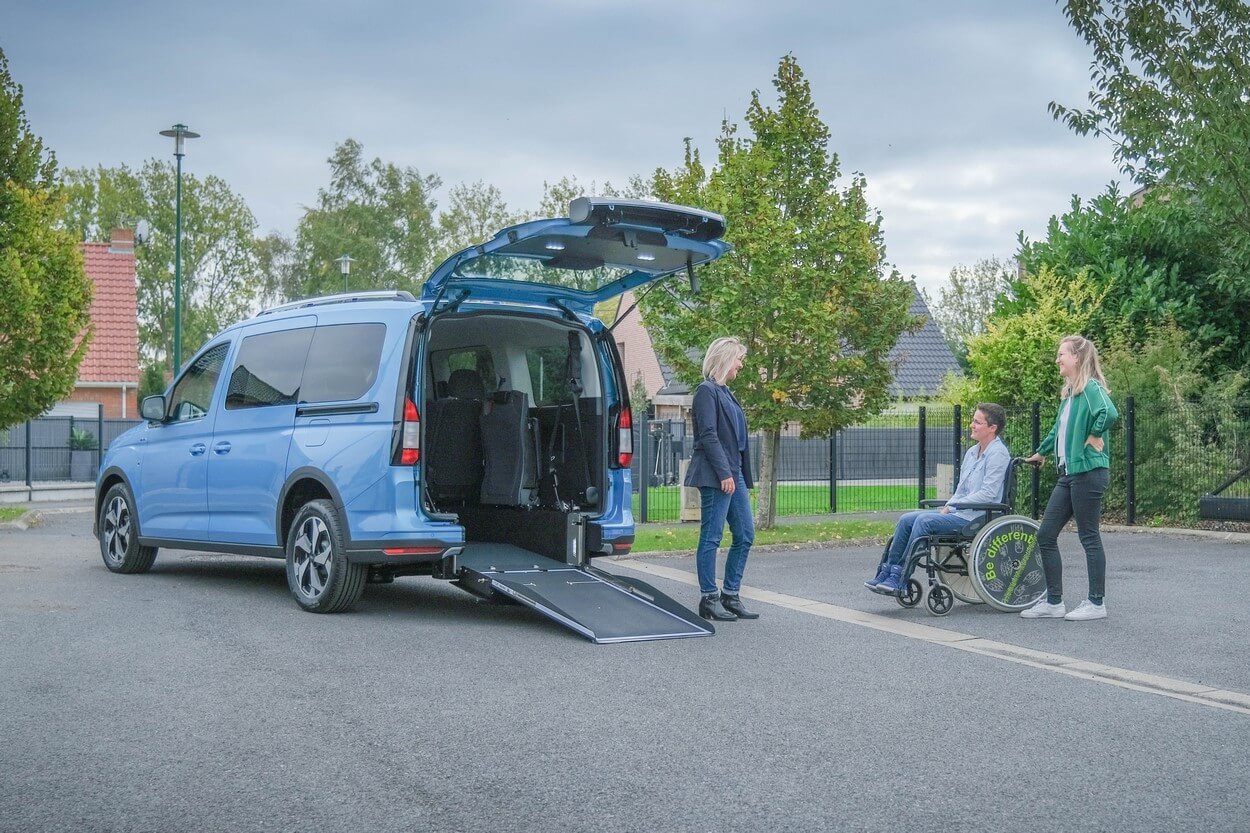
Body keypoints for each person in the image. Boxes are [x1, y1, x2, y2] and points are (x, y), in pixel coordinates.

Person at [1020, 334, 1118, 622]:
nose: (1057, 359)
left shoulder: (1090, 388)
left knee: (1089, 536)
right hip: (1069, 473)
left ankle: (1096, 603)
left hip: (1089, 472)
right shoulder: (1071, 393)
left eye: (1061, 354)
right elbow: (1057, 431)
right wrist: (1041, 452)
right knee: (1045, 535)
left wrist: (1095, 434)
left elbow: (1109, 412)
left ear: (1077, 357)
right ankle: (1053, 602)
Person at [867, 403, 1011, 595]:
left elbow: (988, 494)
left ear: (992, 428)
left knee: (924, 521)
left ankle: (899, 578)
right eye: (972, 421)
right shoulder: (972, 452)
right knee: (906, 519)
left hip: (978, 516)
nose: (971, 425)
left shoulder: (998, 454)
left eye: (977, 422)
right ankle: (887, 571)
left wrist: (951, 506)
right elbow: (961, 490)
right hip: (960, 511)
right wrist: (951, 505)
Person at [684, 336, 758, 621]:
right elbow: (708, 435)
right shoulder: (706, 391)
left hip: (734, 473)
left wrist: (735, 472)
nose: (741, 364)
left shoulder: (726, 392)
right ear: (725, 359)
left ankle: (730, 595)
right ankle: (708, 599)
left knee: (745, 534)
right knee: (712, 536)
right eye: (738, 359)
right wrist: (725, 472)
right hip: (717, 474)